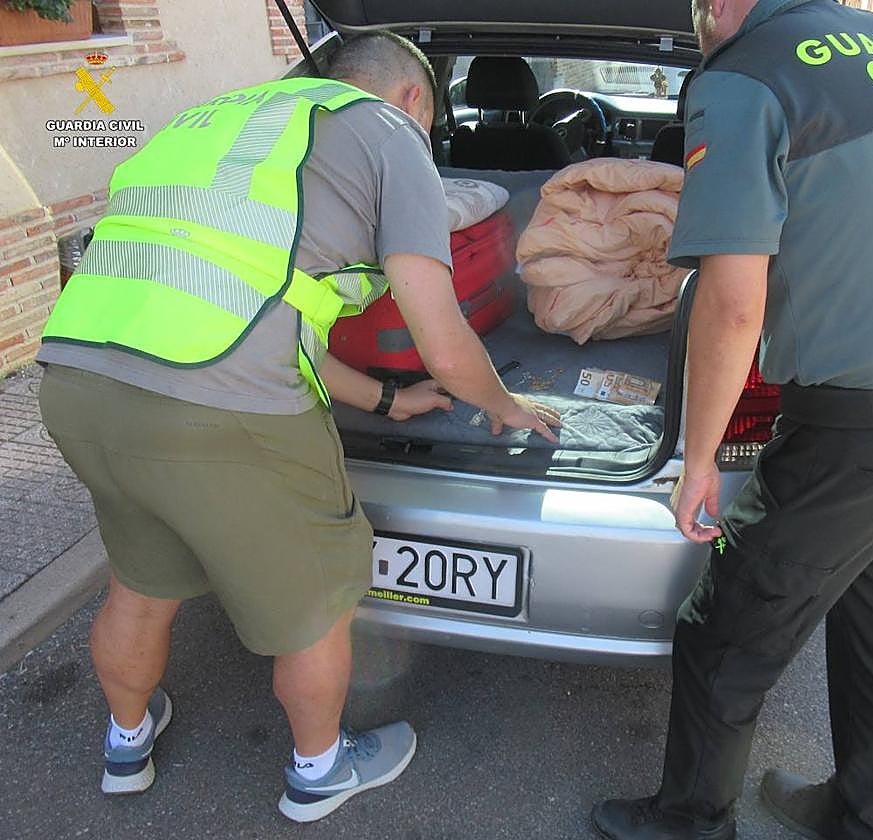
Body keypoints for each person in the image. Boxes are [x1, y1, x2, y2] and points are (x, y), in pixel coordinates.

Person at [37, 33, 560, 823]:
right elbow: (442, 337)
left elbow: (264, 303)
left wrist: (386, 402)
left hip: (77, 380)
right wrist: (505, 405)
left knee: (140, 582)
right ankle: (319, 772)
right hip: (220, 405)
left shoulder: (214, 118)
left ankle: (127, 743)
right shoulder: (389, 133)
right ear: (413, 98)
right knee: (318, 603)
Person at [592, 1, 873, 838]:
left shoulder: (745, 73)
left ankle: (690, 823)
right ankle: (856, 819)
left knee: (724, 635)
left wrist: (698, 458)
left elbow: (732, 303)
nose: (700, 22)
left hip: (858, 435)